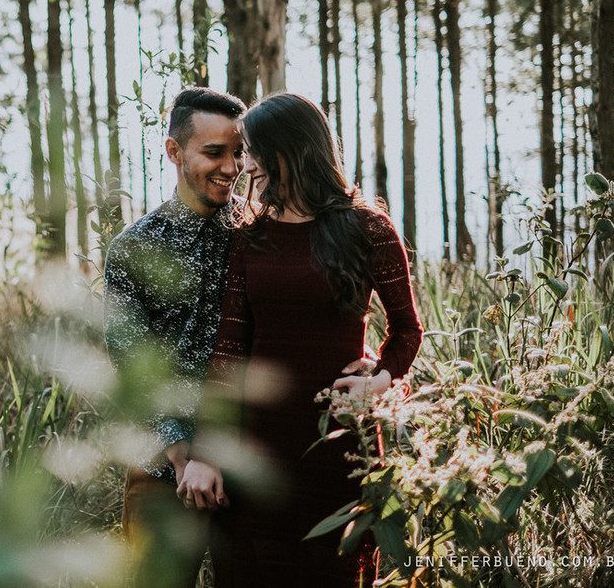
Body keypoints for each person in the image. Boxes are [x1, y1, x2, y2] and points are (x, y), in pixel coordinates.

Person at [178, 92, 423, 587]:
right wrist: (206, 451)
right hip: (255, 452)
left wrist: (379, 381)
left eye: (252, 152)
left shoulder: (368, 229)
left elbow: (407, 331)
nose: (244, 167)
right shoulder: (251, 236)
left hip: (337, 447)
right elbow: (229, 349)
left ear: (292, 150)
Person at [103, 86, 247, 587]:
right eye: (214, 153)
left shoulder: (256, 236)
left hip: (247, 463)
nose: (230, 167)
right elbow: (128, 360)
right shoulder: (134, 248)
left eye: (238, 153)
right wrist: (182, 454)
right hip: (162, 472)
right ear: (174, 152)